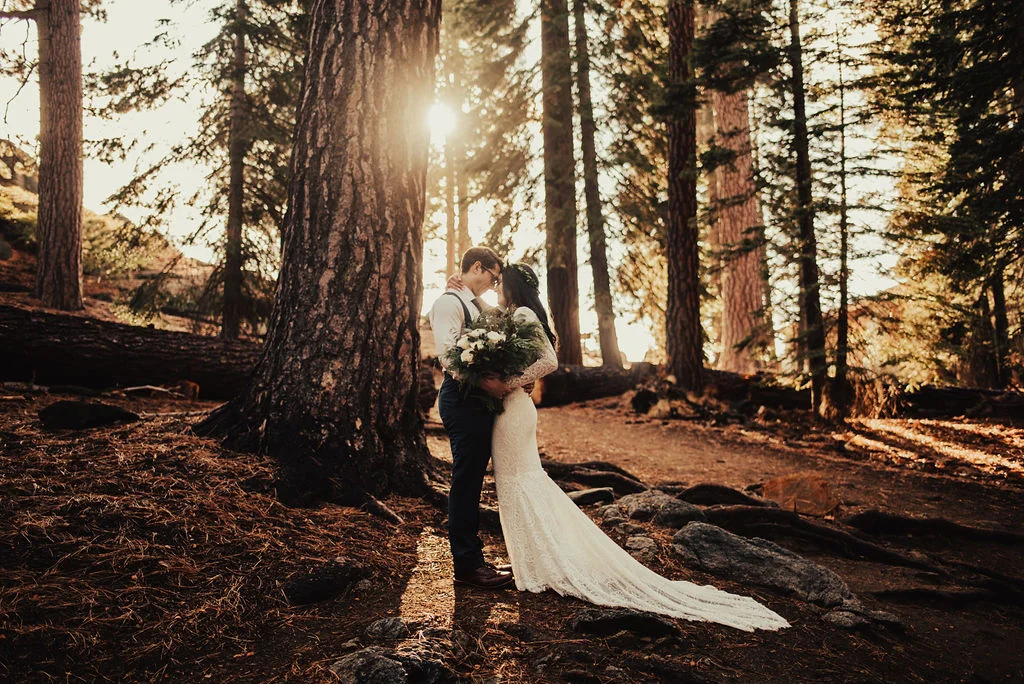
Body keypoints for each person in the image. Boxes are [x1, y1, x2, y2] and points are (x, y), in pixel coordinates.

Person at [453, 262, 789, 632]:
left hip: (514, 408)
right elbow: (489, 322)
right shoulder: (516, 313)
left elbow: (549, 360)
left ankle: (540, 563)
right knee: (518, 481)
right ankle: (531, 560)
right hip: (513, 409)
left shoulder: (523, 313)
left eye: (500, 285)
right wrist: (464, 291)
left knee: (520, 480)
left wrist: (509, 382)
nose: (496, 290)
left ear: (512, 287)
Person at [428, 246, 515, 589]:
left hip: (476, 400)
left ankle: (474, 557)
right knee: (465, 480)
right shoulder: (448, 304)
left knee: (474, 479)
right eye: (493, 277)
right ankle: (466, 565)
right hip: (460, 399)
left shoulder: (470, 302)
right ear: (477, 266)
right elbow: (449, 357)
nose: (494, 285)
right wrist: (487, 383)